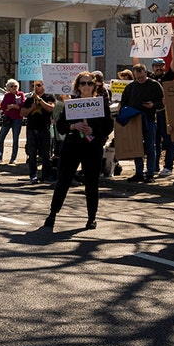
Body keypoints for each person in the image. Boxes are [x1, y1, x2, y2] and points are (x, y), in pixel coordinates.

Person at [43, 71, 112, 230]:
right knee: (64, 180)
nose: (86, 86)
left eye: (89, 83)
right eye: (83, 83)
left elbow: (108, 127)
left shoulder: (100, 104)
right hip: (72, 147)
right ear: (78, 87)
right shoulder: (72, 104)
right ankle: (53, 214)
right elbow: (60, 126)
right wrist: (73, 126)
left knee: (92, 183)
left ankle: (91, 217)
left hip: (92, 148)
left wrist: (93, 131)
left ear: (94, 86)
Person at [120, 63, 165, 182]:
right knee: (136, 147)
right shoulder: (130, 87)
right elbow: (123, 102)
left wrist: (153, 105)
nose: (140, 79)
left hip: (149, 119)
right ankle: (139, 172)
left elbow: (163, 102)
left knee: (150, 147)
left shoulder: (155, 85)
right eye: (137, 77)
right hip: (134, 120)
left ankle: (150, 173)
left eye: (142, 77)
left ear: (146, 73)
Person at [22, 80, 55, 183]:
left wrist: (40, 100)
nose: (36, 87)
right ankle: (33, 175)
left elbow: (50, 109)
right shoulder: (29, 99)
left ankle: (47, 175)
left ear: (44, 86)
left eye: (39, 85)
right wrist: (32, 107)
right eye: (34, 85)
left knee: (46, 154)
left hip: (44, 129)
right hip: (31, 129)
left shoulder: (49, 97)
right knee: (32, 154)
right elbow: (22, 113)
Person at [148, 58, 174, 176]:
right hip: (153, 114)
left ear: (164, 66)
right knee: (155, 141)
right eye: (156, 65)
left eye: (161, 65)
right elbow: (136, 66)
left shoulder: (167, 77)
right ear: (152, 67)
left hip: (166, 114)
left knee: (169, 140)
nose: (158, 67)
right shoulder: (149, 78)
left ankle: (168, 167)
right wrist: (135, 49)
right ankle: (154, 166)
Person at [0, 79, 24, 164]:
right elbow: (3, 106)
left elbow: (22, 104)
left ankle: (13, 158)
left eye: (15, 86)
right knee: (1, 137)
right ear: (8, 87)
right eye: (11, 86)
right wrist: (12, 106)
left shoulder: (21, 94)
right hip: (8, 118)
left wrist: (13, 106)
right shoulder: (7, 95)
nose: (13, 88)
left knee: (15, 138)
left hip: (18, 118)